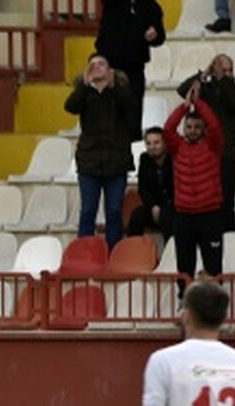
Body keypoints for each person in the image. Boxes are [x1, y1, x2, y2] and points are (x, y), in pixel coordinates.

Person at [65, 53, 137, 249]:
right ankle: (84, 252)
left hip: (116, 160)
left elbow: (131, 107)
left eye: (101, 64)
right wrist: (84, 84)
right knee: (88, 210)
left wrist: (113, 86)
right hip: (89, 161)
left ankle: (113, 251)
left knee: (113, 210)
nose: (96, 67)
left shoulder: (120, 91)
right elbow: (70, 107)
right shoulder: (84, 93)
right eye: (92, 65)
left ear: (110, 69)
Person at [178, 54, 235, 230]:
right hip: (204, 156)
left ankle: (230, 241)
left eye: (229, 70)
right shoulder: (206, 90)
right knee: (206, 205)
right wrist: (204, 73)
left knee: (226, 204)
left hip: (226, 156)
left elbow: (233, 102)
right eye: (223, 70)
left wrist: (221, 79)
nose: (227, 74)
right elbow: (183, 90)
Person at [163, 91, 226, 287]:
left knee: (213, 267)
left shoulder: (213, 146)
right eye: (189, 127)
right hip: (184, 216)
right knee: (184, 268)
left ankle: (215, 300)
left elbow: (215, 125)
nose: (192, 130)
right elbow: (168, 129)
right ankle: (184, 299)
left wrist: (198, 104)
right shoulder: (177, 147)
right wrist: (184, 107)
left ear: (203, 129)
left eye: (197, 127)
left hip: (210, 215)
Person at [94, 0, 164, 141]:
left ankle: (133, 146)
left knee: (133, 113)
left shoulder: (151, 6)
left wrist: (155, 34)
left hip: (135, 68)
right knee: (108, 111)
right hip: (111, 67)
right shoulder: (113, 4)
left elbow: (160, 36)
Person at [126, 126, 175, 239]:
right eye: (148, 143)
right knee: (137, 215)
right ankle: (133, 247)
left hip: (173, 207)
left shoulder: (174, 159)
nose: (152, 147)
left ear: (165, 144)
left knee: (168, 215)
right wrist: (153, 206)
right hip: (153, 206)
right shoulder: (145, 159)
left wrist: (166, 207)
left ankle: (170, 249)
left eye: (156, 143)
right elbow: (143, 188)